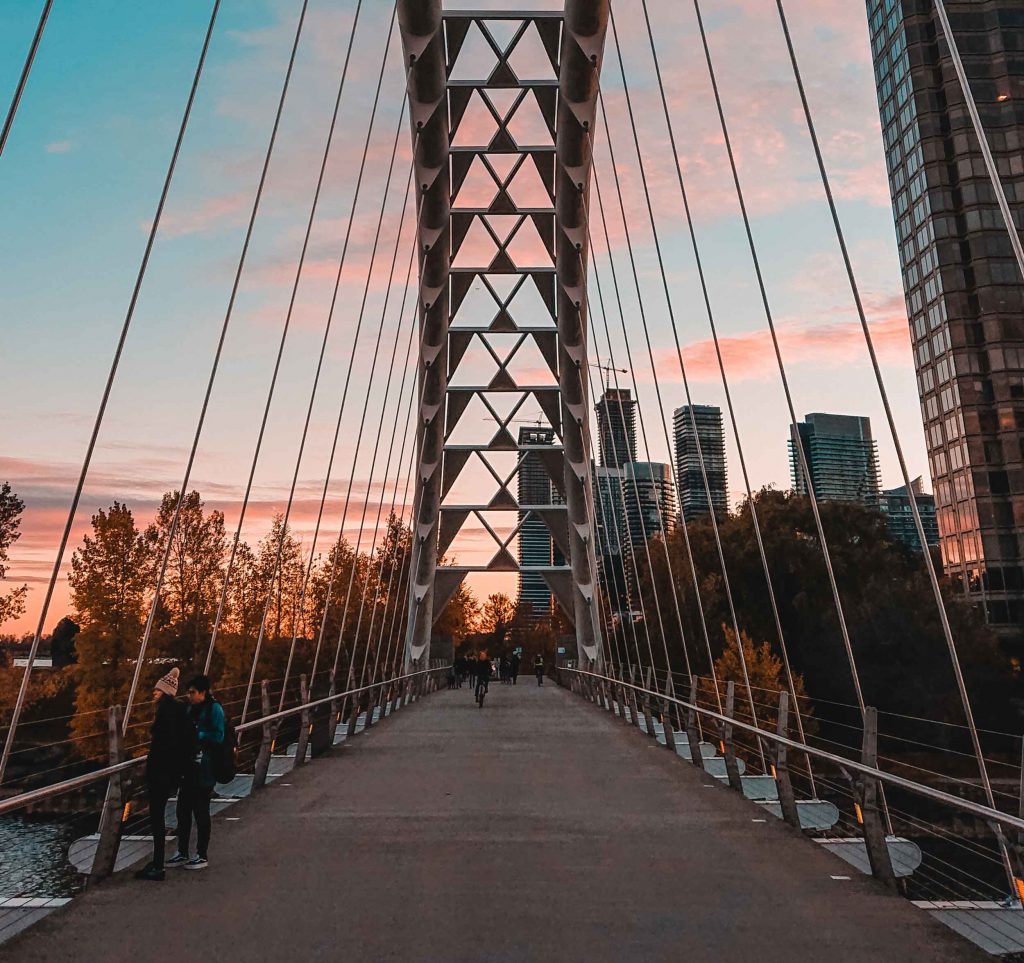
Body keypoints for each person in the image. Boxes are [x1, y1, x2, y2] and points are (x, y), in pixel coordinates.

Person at [136, 667, 194, 882]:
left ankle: (158, 864)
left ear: (165, 692)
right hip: (173, 771)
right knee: (159, 816)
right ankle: (158, 861)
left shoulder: (165, 715)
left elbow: (160, 746)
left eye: (157, 690)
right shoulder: (180, 713)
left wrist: (150, 768)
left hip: (160, 771)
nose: (153, 693)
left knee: (156, 817)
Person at [166, 675, 225, 871]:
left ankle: (201, 854)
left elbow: (219, 736)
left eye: (192, 692)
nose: (189, 695)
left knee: (201, 811)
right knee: (182, 810)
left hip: (205, 768)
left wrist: (196, 733)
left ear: (203, 692)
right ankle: (182, 852)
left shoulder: (214, 709)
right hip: (189, 767)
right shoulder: (191, 709)